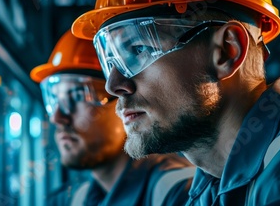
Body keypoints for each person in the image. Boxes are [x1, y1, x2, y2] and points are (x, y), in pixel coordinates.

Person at [71, 0, 280, 205]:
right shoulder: (209, 188)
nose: (113, 86)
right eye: (110, 61)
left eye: (139, 49)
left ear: (226, 51)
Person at [31, 31, 195, 206]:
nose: (58, 117)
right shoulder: (75, 199)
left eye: (79, 96)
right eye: (55, 99)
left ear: (123, 98)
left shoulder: (179, 192)